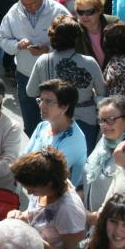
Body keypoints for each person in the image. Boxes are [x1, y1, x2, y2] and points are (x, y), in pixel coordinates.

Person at [0, 0, 71, 136]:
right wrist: (17, 45)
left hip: (54, 76)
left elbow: (71, 42)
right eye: (25, 4)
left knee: (55, 122)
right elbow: (2, 39)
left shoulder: (58, 11)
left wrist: (48, 48)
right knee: (31, 122)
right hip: (25, 74)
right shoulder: (13, 12)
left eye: (34, 3)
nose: (30, 8)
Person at [26, 16, 106, 153]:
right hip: (86, 120)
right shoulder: (90, 62)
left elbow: (30, 91)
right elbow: (103, 92)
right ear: (76, 38)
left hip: (55, 120)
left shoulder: (43, 61)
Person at [74, 0, 117, 69]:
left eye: (89, 12)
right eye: (80, 12)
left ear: (100, 10)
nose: (84, 16)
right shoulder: (74, 30)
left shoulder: (114, 25)